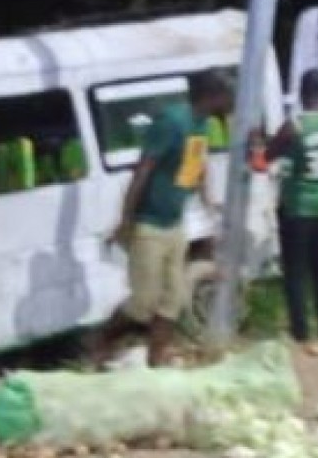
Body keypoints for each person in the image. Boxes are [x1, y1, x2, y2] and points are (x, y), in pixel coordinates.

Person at [90, 69, 231, 367]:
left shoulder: (201, 124)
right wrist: (126, 220)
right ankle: (102, 341)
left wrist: (208, 200)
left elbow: (197, 163)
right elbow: (143, 170)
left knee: (174, 300)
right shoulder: (172, 123)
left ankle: (156, 358)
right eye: (227, 95)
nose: (231, 101)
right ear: (213, 95)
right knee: (143, 302)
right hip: (150, 224)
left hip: (174, 223)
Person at [255, 69, 318, 355]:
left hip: (300, 205)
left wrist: (255, 146)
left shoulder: (294, 125)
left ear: (301, 93)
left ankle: (301, 333)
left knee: (296, 271)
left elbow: (263, 161)